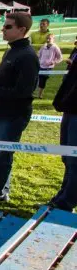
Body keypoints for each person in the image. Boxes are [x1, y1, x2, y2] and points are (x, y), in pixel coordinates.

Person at [0, 12, 39, 207]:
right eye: (4, 26)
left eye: (8, 27)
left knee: (3, 157)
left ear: (22, 30)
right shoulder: (10, 51)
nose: (3, 29)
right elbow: (7, 82)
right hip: (1, 111)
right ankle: (2, 191)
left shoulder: (28, 56)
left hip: (14, 114)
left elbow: (23, 91)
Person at [49, 52, 77, 213]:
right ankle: (62, 197)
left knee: (74, 161)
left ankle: (65, 204)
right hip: (69, 109)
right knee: (67, 158)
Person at [37, 34, 62, 99]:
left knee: (42, 79)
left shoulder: (55, 47)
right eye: (47, 38)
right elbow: (39, 54)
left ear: (53, 39)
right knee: (38, 79)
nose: (48, 40)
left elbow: (60, 58)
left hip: (48, 67)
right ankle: (38, 93)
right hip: (40, 65)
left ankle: (39, 95)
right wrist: (37, 60)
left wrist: (53, 62)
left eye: (49, 39)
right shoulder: (44, 46)